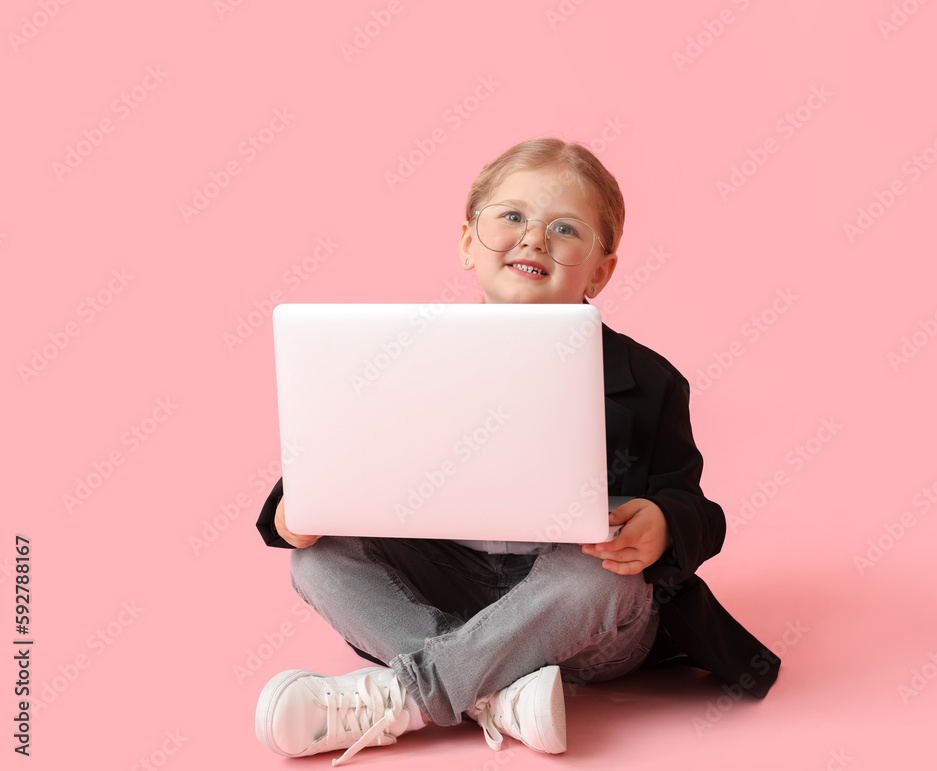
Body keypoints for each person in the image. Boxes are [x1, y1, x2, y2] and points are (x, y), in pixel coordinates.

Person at [253, 138, 780, 766]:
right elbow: (342, 464)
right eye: (511, 217)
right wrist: (295, 509)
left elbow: (697, 508)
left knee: (596, 576)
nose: (533, 238)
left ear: (601, 271)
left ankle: (411, 696)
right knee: (317, 563)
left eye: (564, 228)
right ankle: (499, 698)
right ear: (467, 243)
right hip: (450, 590)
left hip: (578, 617)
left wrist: (665, 525)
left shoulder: (650, 380)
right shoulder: (402, 357)